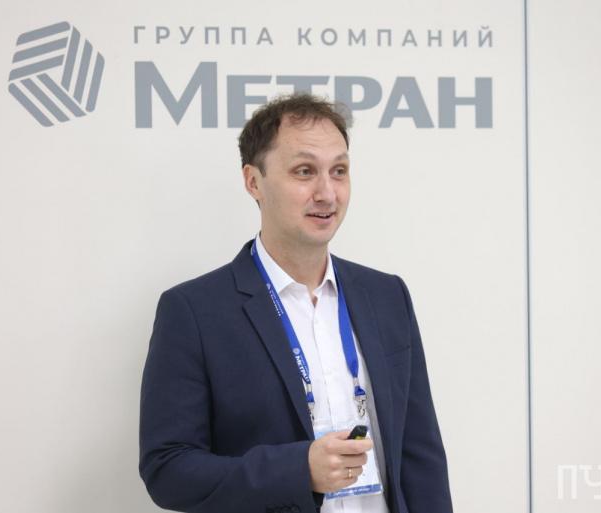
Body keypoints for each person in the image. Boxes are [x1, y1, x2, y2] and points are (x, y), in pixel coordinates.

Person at [139, 94, 453, 513]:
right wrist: (297, 470)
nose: (327, 193)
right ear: (254, 181)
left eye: (339, 171)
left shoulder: (386, 296)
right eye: (304, 171)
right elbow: (168, 471)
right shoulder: (194, 311)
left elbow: (420, 456)